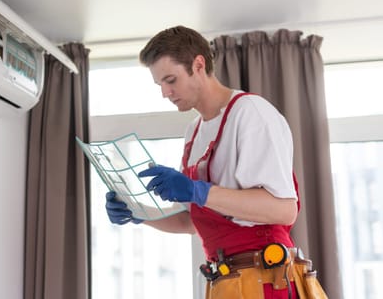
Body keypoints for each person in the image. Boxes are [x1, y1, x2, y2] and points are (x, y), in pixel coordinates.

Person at [104, 26, 328, 298]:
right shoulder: (194, 132)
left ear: (198, 65)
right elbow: (192, 221)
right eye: (160, 84)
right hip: (227, 280)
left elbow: (283, 210)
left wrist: (198, 191)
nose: (165, 92)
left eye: (171, 80)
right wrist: (138, 213)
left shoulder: (250, 113)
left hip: (266, 278)